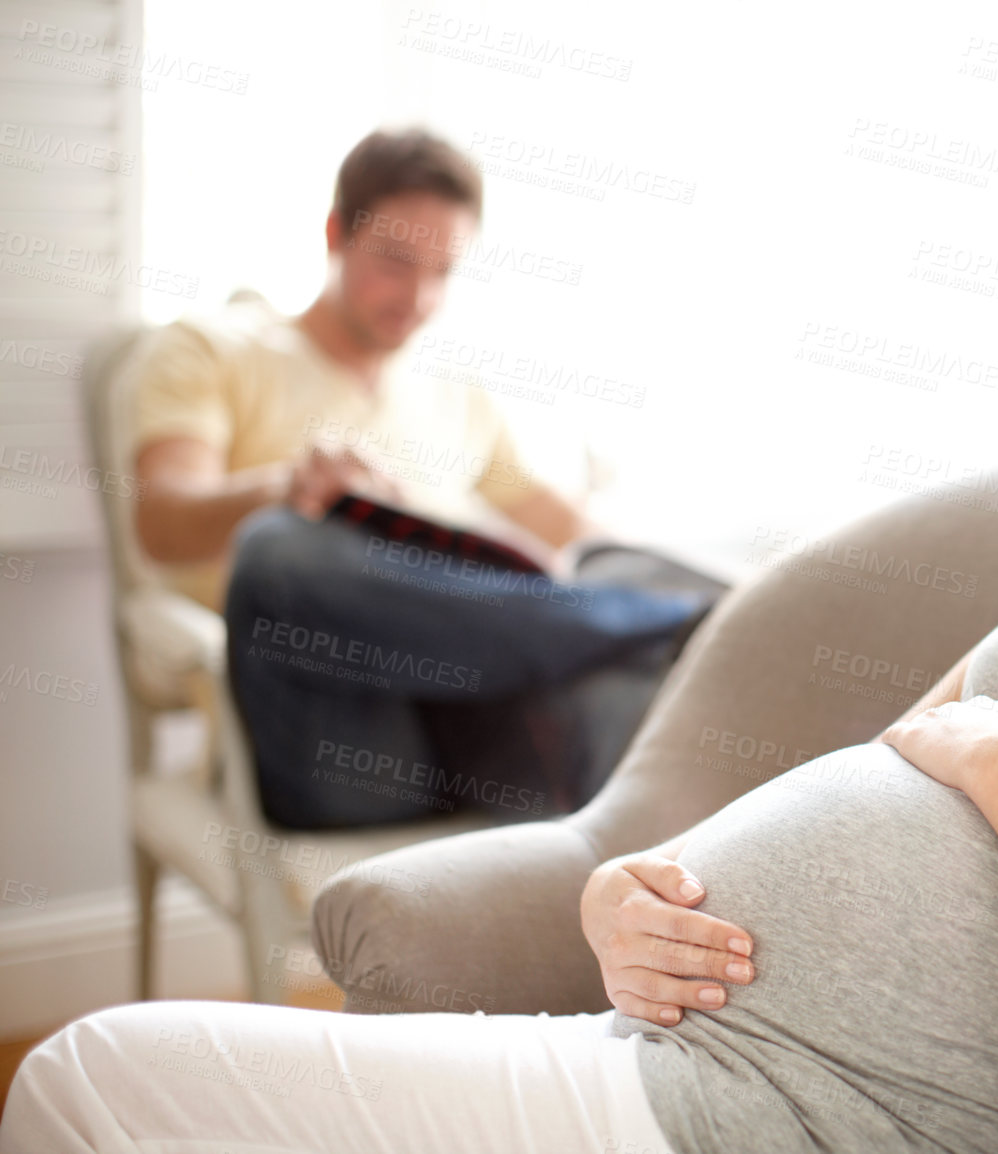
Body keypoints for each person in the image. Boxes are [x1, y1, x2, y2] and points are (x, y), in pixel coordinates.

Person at [2, 101, 998, 1153]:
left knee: (82, 1082)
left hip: (811, 1108)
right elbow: (888, 762)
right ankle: (628, 630)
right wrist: (633, 898)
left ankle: (626, 625)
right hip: (673, 1033)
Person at [121, 126, 724, 828]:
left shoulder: (457, 396)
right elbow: (160, 520)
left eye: (442, 271)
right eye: (396, 261)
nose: (419, 295)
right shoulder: (212, 349)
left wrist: (643, 570)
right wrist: (286, 486)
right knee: (281, 548)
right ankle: (679, 619)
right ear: (336, 233)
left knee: (625, 647)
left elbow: (571, 529)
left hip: (481, 735)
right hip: (341, 737)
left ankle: (681, 623)